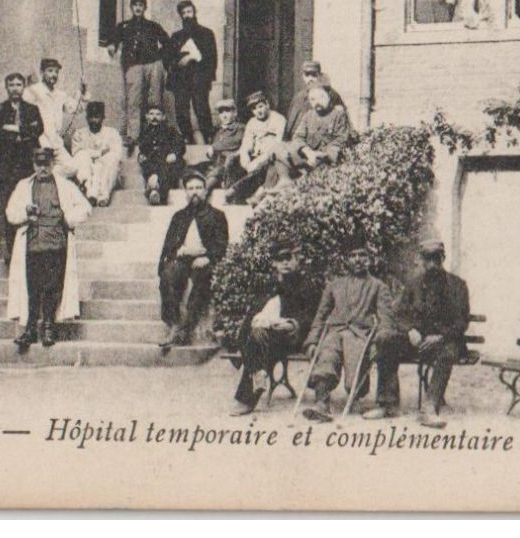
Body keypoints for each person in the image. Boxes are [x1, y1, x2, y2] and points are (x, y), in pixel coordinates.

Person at [365, 238, 470, 428]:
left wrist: (441, 336)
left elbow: (461, 322)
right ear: (422, 260)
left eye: (436, 259)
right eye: (428, 259)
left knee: (448, 352)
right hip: (416, 342)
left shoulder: (458, 285)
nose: (432, 265)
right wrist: (410, 329)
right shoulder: (413, 284)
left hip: (444, 342)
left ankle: (430, 408)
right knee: (385, 340)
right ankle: (386, 404)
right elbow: (400, 313)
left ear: (443, 258)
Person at [6, 147, 91, 349]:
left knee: (51, 288)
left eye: (46, 163)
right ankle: (30, 330)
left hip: (56, 244)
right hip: (32, 245)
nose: (43, 168)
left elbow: (85, 208)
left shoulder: (65, 186)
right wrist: (26, 213)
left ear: (53, 164)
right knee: (33, 288)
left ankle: (48, 328)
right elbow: (10, 214)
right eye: (39, 164)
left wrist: (66, 217)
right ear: (34, 164)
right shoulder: (23, 186)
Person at [230, 244, 321, 416]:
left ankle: (251, 389)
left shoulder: (307, 285)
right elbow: (254, 313)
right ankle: (258, 376)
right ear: (274, 263)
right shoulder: (268, 285)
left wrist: (294, 324)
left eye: (289, 259)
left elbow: (313, 315)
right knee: (255, 334)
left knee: (256, 340)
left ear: (296, 260)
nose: (285, 263)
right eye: (280, 260)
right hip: (270, 337)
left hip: (295, 336)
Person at [302, 248, 388, 423]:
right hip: (335, 331)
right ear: (347, 260)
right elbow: (321, 315)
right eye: (353, 255)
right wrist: (312, 341)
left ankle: (354, 394)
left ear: (370, 259)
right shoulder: (335, 284)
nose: (357, 260)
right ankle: (321, 403)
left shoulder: (378, 287)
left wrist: (378, 343)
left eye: (362, 255)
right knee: (326, 356)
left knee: (353, 378)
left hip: (359, 335)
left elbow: (386, 320)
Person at [157, 173, 230, 351]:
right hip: (182, 259)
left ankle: (186, 328)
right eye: (191, 188)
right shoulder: (179, 217)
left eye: (198, 188)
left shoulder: (217, 215)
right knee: (168, 275)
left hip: (205, 260)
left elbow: (222, 244)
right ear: (186, 193)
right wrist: (177, 252)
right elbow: (168, 245)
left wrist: (208, 258)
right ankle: (173, 324)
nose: (195, 192)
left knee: (204, 278)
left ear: (205, 191)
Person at [259, 83, 352, 201]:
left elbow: (340, 140)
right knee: (277, 147)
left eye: (321, 97)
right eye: (312, 99)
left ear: (329, 97)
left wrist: (323, 155)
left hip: (324, 159)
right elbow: (298, 137)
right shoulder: (308, 115)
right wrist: (308, 152)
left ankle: (276, 188)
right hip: (307, 156)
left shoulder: (338, 115)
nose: (317, 102)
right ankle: (285, 179)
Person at [106, 0, 168, 144]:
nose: (138, 8)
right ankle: (134, 135)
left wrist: (160, 58)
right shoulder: (124, 26)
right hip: (133, 66)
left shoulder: (153, 26)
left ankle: (155, 136)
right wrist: (112, 45)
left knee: (155, 100)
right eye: (135, 5)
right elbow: (113, 39)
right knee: (134, 101)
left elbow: (168, 43)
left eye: (141, 5)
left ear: (145, 8)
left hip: (152, 65)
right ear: (131, 8)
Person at [0, 72, 45, 215]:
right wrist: (25, 132)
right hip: (6, 163)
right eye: (11, 85)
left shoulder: (32, 109)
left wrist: (14, 128)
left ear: (24, 87)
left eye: (18, 85)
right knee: (8, 203)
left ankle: (26, 237)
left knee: (28, 200)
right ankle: (10, 237)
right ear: (6, 88)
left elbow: (38, 129)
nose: (15, 88)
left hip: (27, 162)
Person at [166, 0, 218, 146]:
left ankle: (208, 136)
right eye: (184, 13)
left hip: (199, 78)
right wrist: (179, 61)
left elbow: (211, 57)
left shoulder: (206, 33)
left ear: (195, 12)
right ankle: (187, 137)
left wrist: (193, 58)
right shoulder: (176, 36)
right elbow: (169, 57)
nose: (187, 15)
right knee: (181, 110)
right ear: (181, 16)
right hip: (181, 79)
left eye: (189, 12)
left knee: (201, 108)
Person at [22, 57, 83, 158]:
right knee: (44, 166)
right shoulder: (33, 90)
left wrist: (81, 93)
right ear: (42, 72)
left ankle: (51, 172)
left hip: (56, 141)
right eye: (50, 71)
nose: (54, 75)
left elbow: (74, 109)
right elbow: (22, 109)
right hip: (40, 140)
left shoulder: (60, 94)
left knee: (72, 168)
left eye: (56, 72)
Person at [232, 91, 285, 204]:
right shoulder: (252, 122)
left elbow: (278, 144)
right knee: (232, 161)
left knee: (263, 165)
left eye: (260, 106)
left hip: (269, 157)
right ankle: (233, 196)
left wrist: (257, 161)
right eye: (254, 109)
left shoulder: (279, 119)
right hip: (253, 157)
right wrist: (244, 156)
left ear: (267, 104)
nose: (258, 111)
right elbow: (246, 143)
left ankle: (236, 191)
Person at [69, 101, 123, 206]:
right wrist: (99, 153)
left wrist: (96, 158)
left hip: (106, 170)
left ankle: (103, 196)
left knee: (110, 159)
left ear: (103, 117)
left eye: (97, 117)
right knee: (81, 157)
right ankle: (90, 194)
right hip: (87, 169)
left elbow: (117, 154)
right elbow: (76, 153)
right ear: (87, 118)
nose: (94, 121)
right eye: (91, 117)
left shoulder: (112, 133)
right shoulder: (79, 134)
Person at [136, 105, 186, 206]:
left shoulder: (170, 131)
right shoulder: (144, 133)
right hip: (153, 163)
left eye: (158, 114)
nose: (154, 117)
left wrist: (174, 154)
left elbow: (180, 145)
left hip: (169, 162)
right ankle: (154, 183)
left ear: (163, 117)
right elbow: (143, 148)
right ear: (147, 116)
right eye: (151, 114)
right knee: (146, 162)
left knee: (166, 168)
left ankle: (155, 189)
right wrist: (141, 155)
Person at [283, 61, 346, 138]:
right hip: (299, 140)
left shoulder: (331, 95)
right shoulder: (299, 98)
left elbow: (341, 119)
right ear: (303, 76)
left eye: (314, 75)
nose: (310, 79)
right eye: (307, 75)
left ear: (319, 75)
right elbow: (290, 124)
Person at [201, 98, 246, 199]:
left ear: (235, 113)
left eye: (228, 111)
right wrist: (211, 152)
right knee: (199, 168)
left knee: (218, 171)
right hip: (218, 162)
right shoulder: (219, 131)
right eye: (221, 112)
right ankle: (202, 190)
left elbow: (234, 142)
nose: (224, 115)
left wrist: (214, 147)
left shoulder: (240, 128)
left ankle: (204, 191)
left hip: (233, 161)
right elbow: (214, 149)